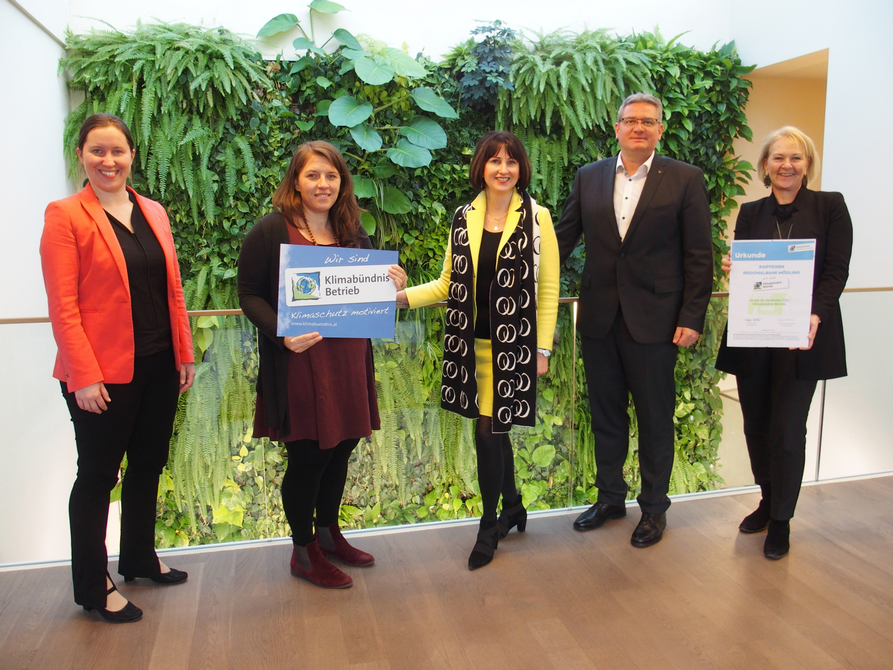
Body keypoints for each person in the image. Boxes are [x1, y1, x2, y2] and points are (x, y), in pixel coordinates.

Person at [40, 113, 196, 624]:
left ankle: (138, 558)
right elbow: (63, 305)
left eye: (118, 151)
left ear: (132, 155)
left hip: (157, 365)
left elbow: (172, 290)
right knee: (98, 477)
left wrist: (184, 353)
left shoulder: (152, 210)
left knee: (149, 465)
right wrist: (82, 375)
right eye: (97, 151)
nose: (109, 161)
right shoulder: (65, 215)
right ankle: (93, 586)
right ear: (81, 155)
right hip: (99, 376)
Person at [238, 140, 407, 589]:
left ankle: (330, 533)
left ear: (341, 183)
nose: (323, 184)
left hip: (348, 359)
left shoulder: (351, 227)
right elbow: (248, 294)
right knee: (310, 454)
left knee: (344, 443)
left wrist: (393, 282)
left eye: (331, 176)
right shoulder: (272, 229)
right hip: (300, 363)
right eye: (313, 175)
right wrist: (281, 333)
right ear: (296, 180)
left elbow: (372, 290)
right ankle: (303, 550)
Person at [554, 93, 713, 548]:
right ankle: (609, 499)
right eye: (631, 120)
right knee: (605, 415)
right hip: (600, 319)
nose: (639, 127)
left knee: (655, 418)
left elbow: (699, 255)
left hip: (658, 322)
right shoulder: (589, 177)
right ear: (617, 127)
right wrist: (515, 272)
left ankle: (654, 509)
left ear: (660, 129)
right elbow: (563, 239)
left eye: (649, 121)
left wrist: (692, 316)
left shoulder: (685, 179)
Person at [397, 131, 560, 570]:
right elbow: (449, 283)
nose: (503, 168)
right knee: (496, 429)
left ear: (521, 169)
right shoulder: (462, 216)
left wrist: (542, 349)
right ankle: (513, 506)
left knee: (489, 432)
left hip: (515, 346)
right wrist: (400, 298)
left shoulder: (538, 218)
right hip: (470, 345)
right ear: (482, 168)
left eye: (511, 161)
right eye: (494, 160)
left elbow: (547, 291)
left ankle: (488, 525)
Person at [716, 126, 852, 560]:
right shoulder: (751, 212)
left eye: (795, 157)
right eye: (778, 158)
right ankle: (766, 498)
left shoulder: (830, 206)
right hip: (755, 335)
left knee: (788, 429)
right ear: (765, 165)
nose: (786, 165)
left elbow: (836, 270)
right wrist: (734, 270)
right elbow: (751, 274)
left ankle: (782, 519)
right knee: (755, 426)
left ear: (807, 164)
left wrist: (815, 315)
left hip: (803, 339)